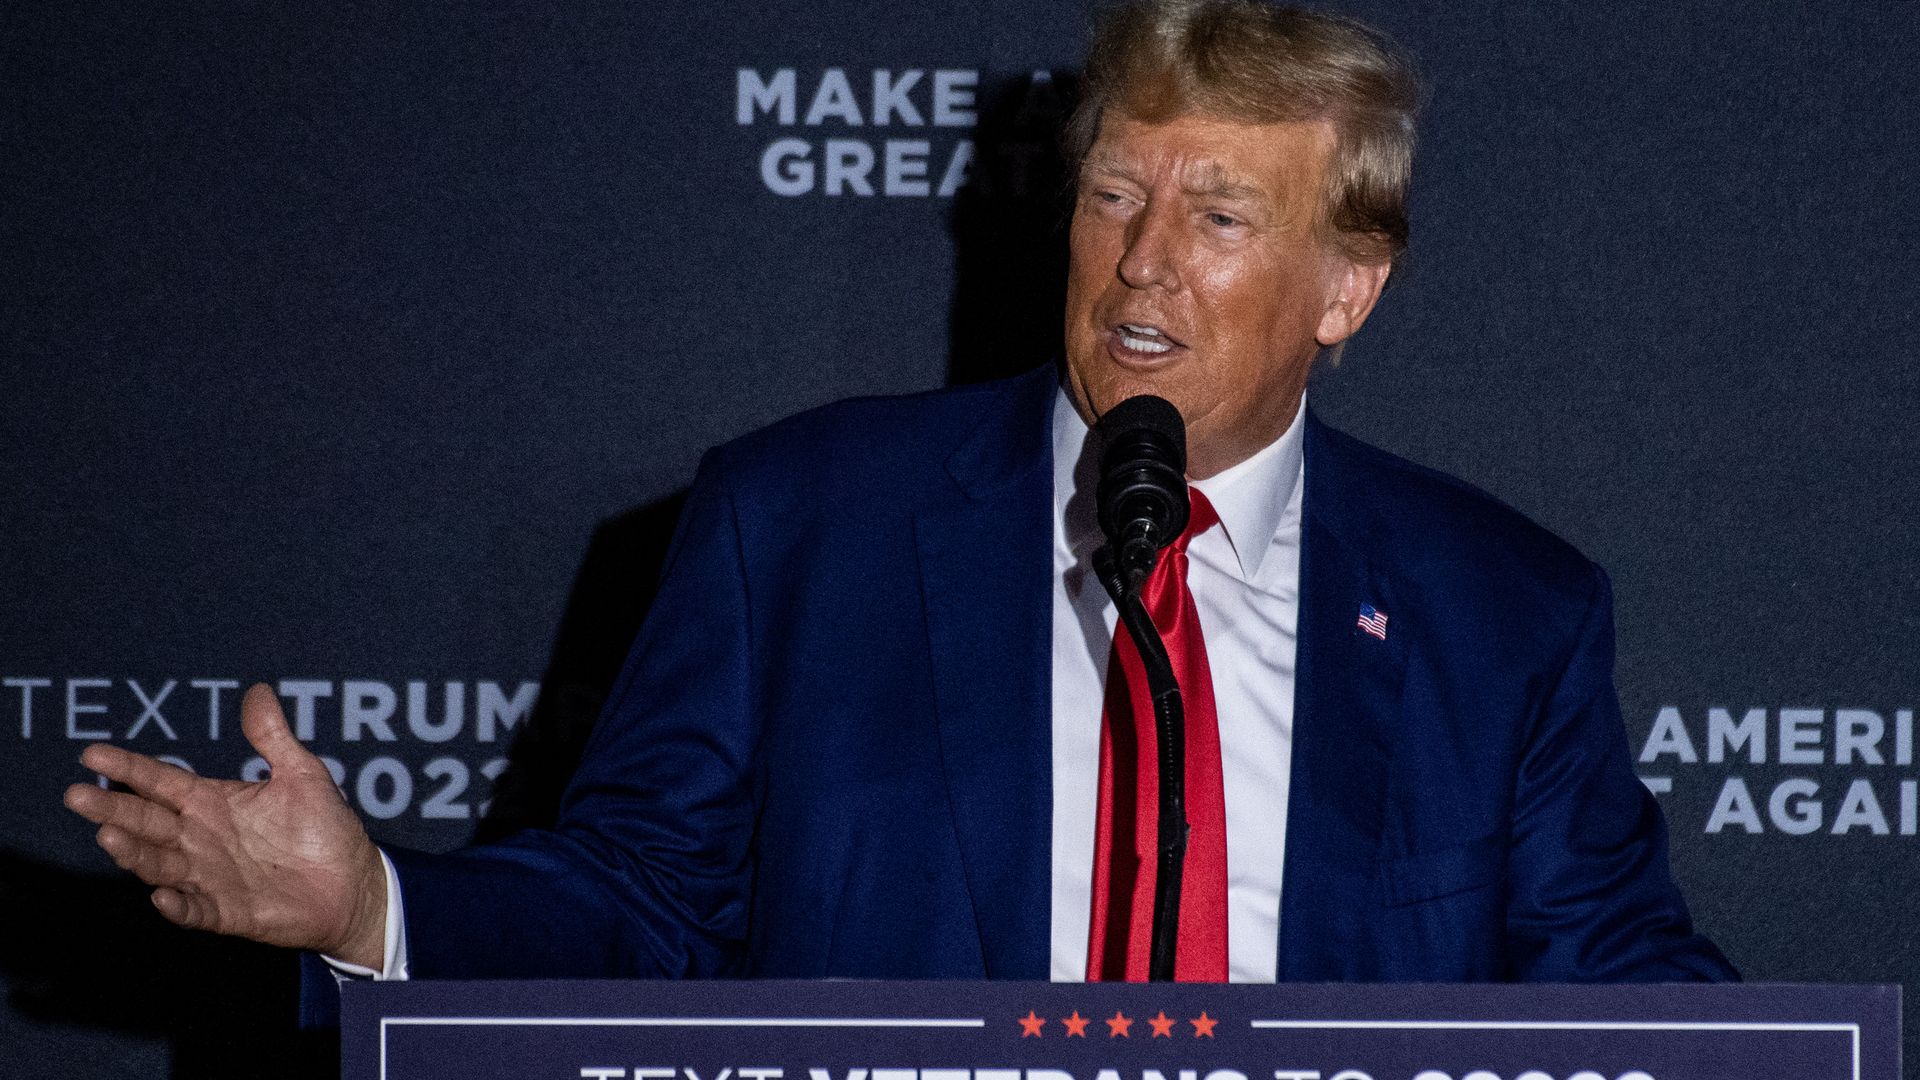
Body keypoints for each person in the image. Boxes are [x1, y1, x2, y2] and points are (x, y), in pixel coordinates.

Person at [63, 0, 1735, 984]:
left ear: (1345, 289)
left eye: (1219, 217)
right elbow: (642, 892)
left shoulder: (1501, 613)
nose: (1141, 266)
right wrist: (373, 901)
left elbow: (1623, 1001)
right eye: (1110, 196)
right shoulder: (802, 526)